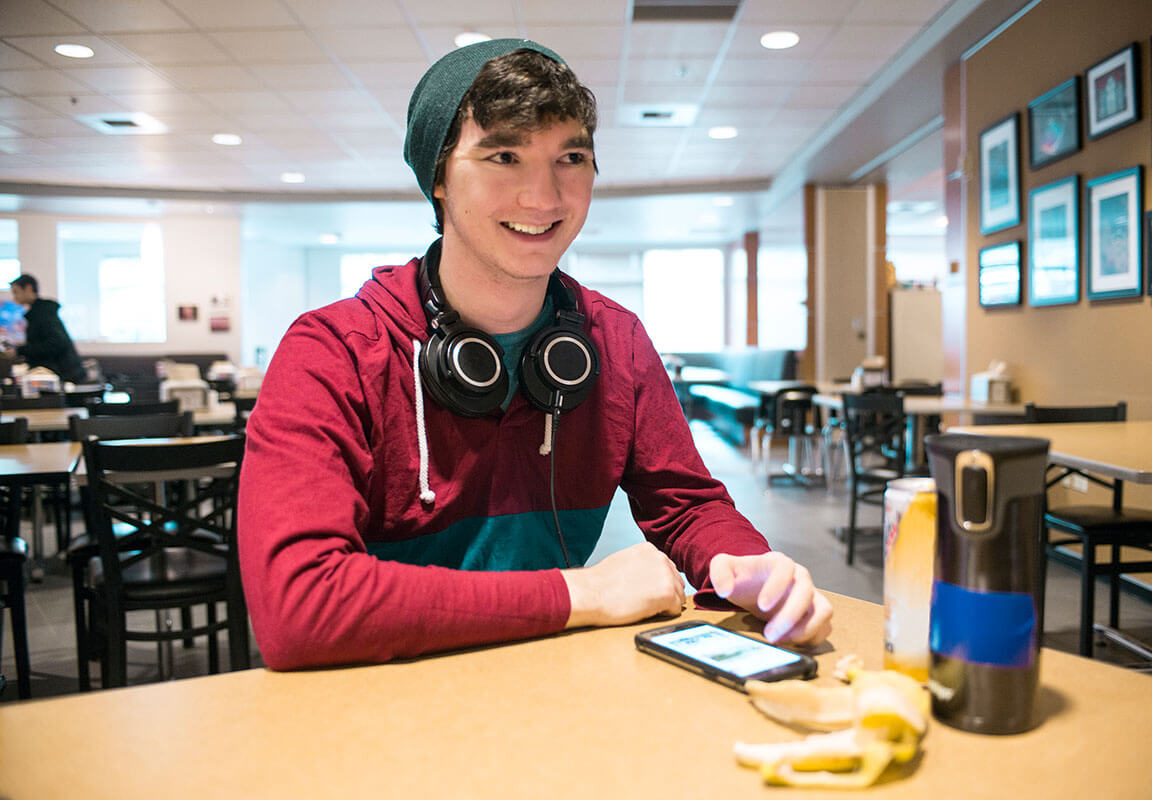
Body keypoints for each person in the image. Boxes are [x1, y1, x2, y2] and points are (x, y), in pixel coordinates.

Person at [238, 39, 833, 671]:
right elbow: (298, 607)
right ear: (437, 178)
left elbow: (687, 504)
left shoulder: (616, 340)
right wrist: (584, 591)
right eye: (503, 156)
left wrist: (747, 564)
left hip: (549, 695)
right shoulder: (332, 352)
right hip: (380, 702)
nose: (544, 198)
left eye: (570, 157)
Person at [5, 274, 86, 384]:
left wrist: (20, 350)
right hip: (60, 374)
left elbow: (57, 343)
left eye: (16, 292)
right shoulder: (38, 312)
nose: (14, 298)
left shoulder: (43, 313)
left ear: (28, 288)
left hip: (63, 374)